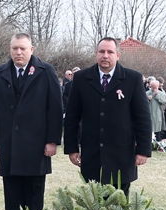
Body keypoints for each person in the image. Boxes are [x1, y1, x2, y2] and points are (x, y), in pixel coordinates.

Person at [0, 33, 63, 210]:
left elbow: (55, 108)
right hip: (8, 145)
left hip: (36, 147)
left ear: (31, 49)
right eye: (15, 48)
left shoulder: (46, 71)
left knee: (35, 199)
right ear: (10, 49)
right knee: (12, 198)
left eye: (23, 48)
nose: (18, 52)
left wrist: (52, 140)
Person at [63, 36, 152, 195]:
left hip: (121, 155)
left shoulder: (132, 79)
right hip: (92, 154)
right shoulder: (82, 79)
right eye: (102, 51)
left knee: (119, 204)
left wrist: (143, 150)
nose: (105, 55)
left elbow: (143, 118)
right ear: (96, 53)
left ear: (118, 55)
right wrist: (72, 148)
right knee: (92, 203)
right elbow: (72, 117)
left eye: (110, 52)